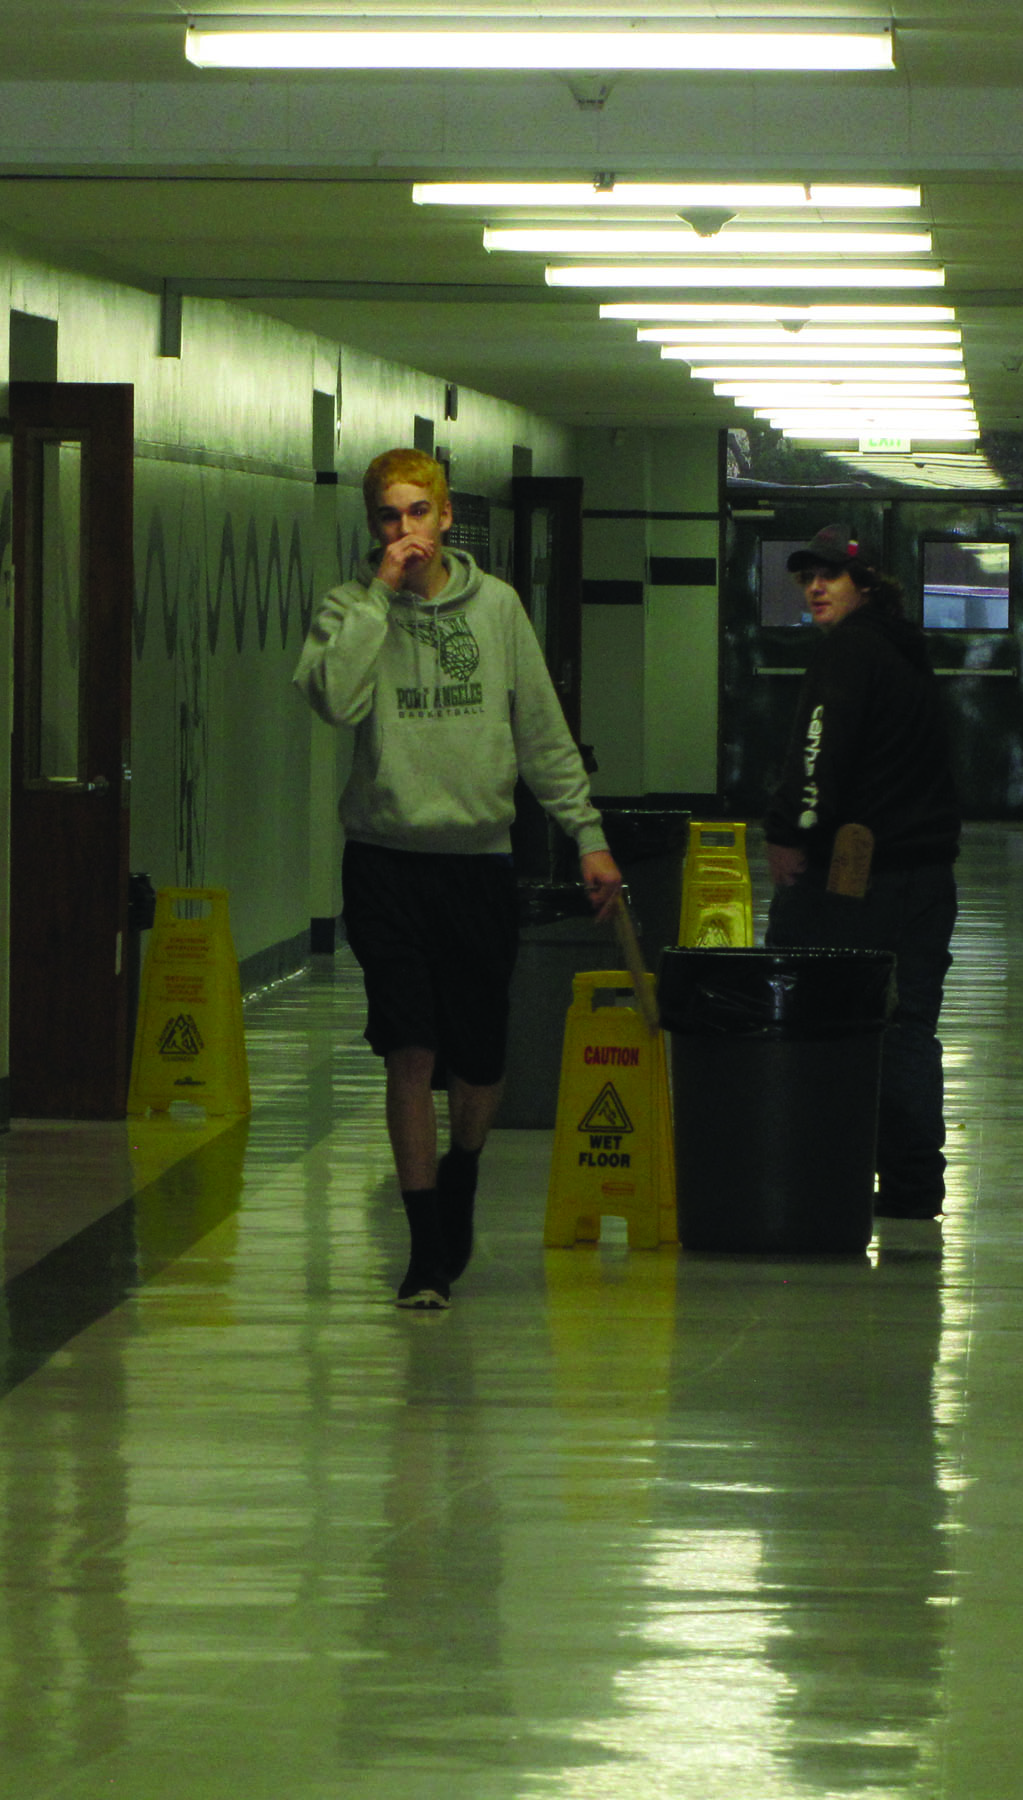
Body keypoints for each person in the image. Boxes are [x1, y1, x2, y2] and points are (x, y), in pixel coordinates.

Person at [296, 448, 623, 1309]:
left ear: (445, 520)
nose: (401, 532)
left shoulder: (499, 610)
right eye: (385, 518)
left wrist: (586, 835)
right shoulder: (350, 606)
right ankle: (424, 1247)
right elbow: (332, 700)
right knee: (412, 1047)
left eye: (415, 514)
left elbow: (542, 734)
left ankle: (465, 1167)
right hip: (386, 861)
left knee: (476, 1057)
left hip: (478, 863)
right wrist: (380, 601)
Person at [761, 523, 963, 1231]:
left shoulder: (848, 651)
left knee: (834, 1021)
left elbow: (818, 755)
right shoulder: (907, 649)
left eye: (831, 577)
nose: (815, 588)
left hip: (862, 882)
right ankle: (912, 1184)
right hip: (926, 878)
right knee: (910, 1029)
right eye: (807, 576)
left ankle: (818, 1170)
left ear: (866, 584)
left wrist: (790, 835)